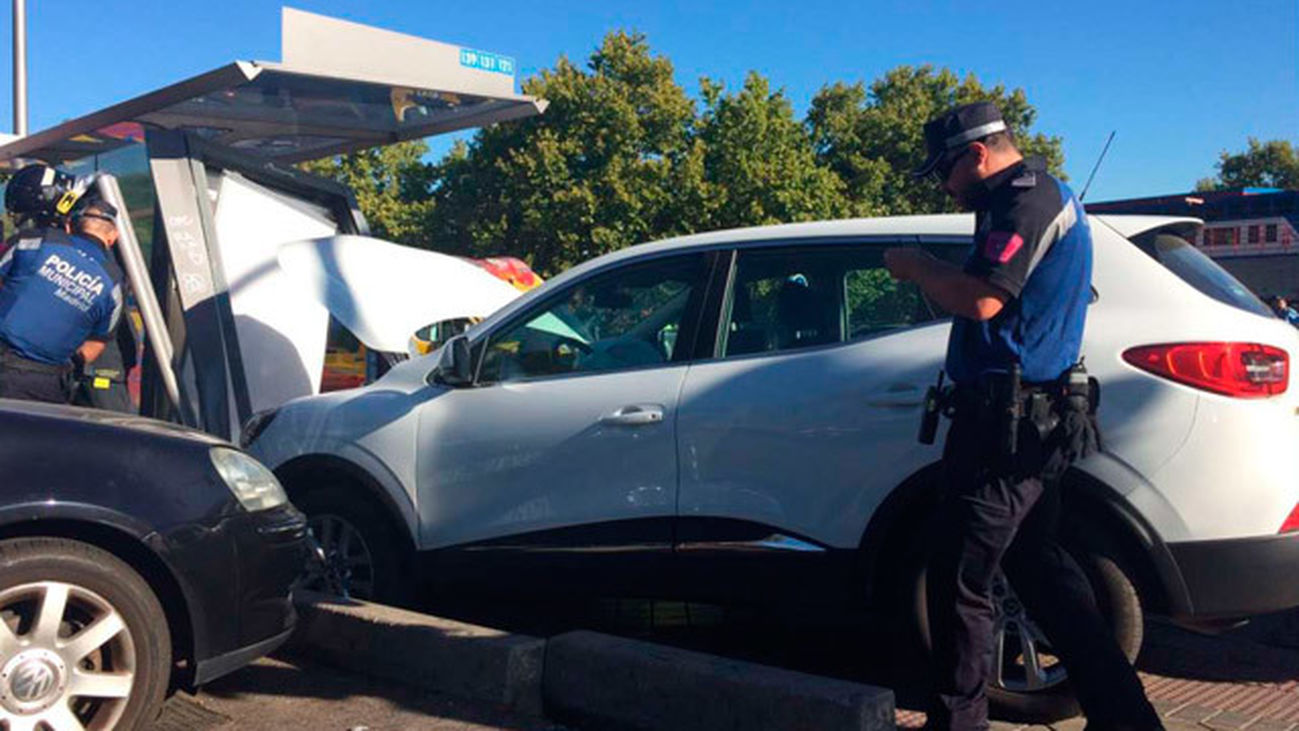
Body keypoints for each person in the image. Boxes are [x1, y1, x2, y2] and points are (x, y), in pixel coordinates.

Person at [883, 102, 1160, 730]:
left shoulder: (1025, 202)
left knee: (959, 583)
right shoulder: (1018, 200)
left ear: (977, 154)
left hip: (1004, 433)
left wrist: (918, 267)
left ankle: (959, 723)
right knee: (1041, 576)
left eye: (944, 171)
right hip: (1023, 424)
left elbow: (984, 299)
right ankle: (1128, 719)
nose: (944, 186)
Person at [0, 168, 124, 404]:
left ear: (68, 225)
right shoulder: (114, 281)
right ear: (113, 237)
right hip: (49, 382)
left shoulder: (34, 243)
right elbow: (97, 343)